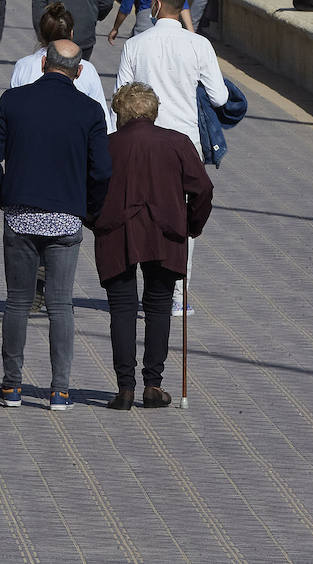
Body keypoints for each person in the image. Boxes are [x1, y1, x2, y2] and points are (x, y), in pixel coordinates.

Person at [0, 40, 113, 411]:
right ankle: (60, 391)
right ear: (79, 71)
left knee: (18, 302)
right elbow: (102, 170)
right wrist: (90, 210)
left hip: (20, 215)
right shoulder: (89, 111)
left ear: (42, 64)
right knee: (60, 305)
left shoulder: (14, 101)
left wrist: (1, 193)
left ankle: (12, 387)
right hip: (67, 219)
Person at [93, 82, 213, 410]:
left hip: (118, 233)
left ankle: (125, 388)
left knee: (122, 307)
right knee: (159, 306)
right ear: (153, 111)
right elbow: (202, 188)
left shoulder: (107, 145)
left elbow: (87, 190)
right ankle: (153, 384)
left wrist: (96, 221)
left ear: (121, 113)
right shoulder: (177, 143)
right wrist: (191, 225)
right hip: (165, 234)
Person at [116, 0, 227, 315]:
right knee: (180, 216)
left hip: (140, 140)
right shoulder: (198, 45)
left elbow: (119, 99)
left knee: (136, 211)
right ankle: (177, 295)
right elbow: (220, 96)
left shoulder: (135, 44)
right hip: (184, 143)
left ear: (157, 5)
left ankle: (138, 290)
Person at [10, 2, 116, 132]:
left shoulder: (23, 66)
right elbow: (103, 123)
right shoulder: (88, 69)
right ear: (71, 33)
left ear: (41, 33)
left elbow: (12, 113)